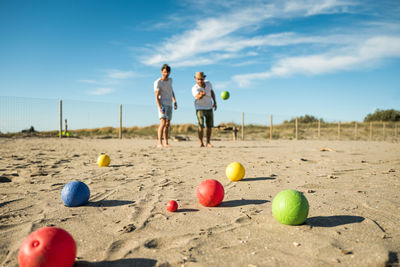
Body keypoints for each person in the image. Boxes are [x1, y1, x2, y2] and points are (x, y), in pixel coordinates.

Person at [154, 64, 177, 147]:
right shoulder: (158, 82)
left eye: (167, 72)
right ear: (161, 72)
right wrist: (160, 107)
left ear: (169, 72)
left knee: (167, 124)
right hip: (162, 104)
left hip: (169, 104)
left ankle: (166, 142)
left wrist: (175, 101)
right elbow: (156, 96)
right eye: (164, 72)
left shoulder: (170, 80)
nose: (166, 73)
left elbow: (171, 91)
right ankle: (159, 142)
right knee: (163, 122)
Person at [192, 72, 217, 147]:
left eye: (201, 79)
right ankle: (200, 142)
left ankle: (208, 142)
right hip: (200, 108)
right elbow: (197, 97)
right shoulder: (195, 88)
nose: (200, 80)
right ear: (196, 79)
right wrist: (201, 95)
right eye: (198, 79)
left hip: (209, 107)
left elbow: (211, 92)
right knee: (201, 125)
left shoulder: (208, 83)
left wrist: (215, 102)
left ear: (204, 78)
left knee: (209, 126)